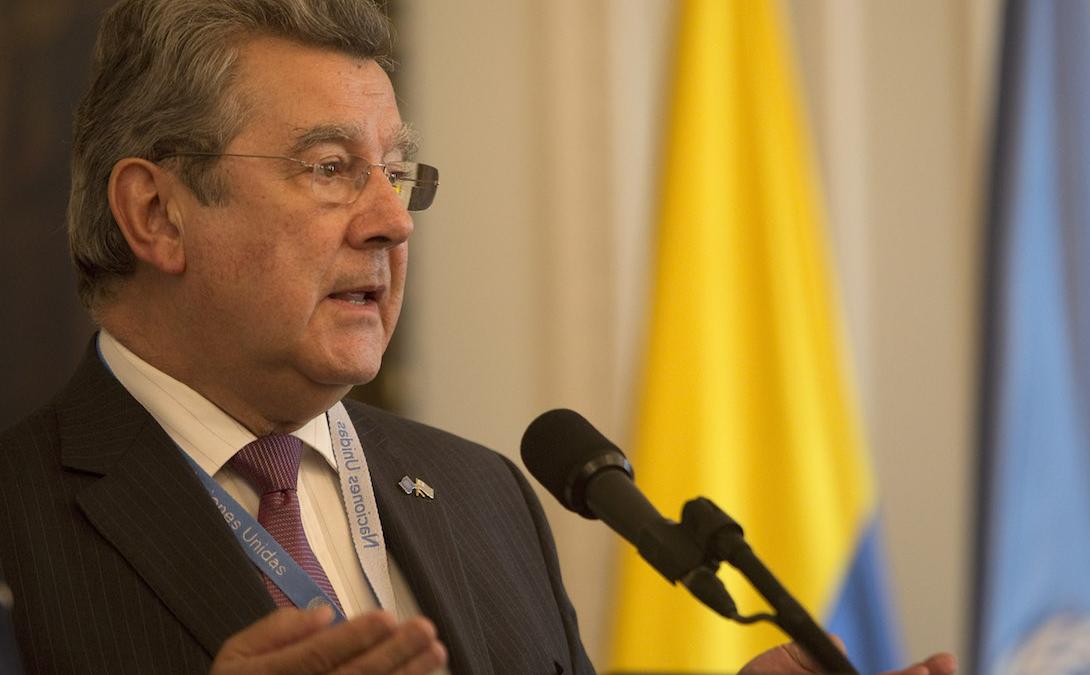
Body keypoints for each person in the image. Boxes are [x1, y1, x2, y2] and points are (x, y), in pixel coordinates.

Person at [0, 1, 955, 674]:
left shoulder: (483, 494)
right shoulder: (18, 520)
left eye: (396, 172)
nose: (393, 221)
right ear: (157, 213)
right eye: (329, 167)